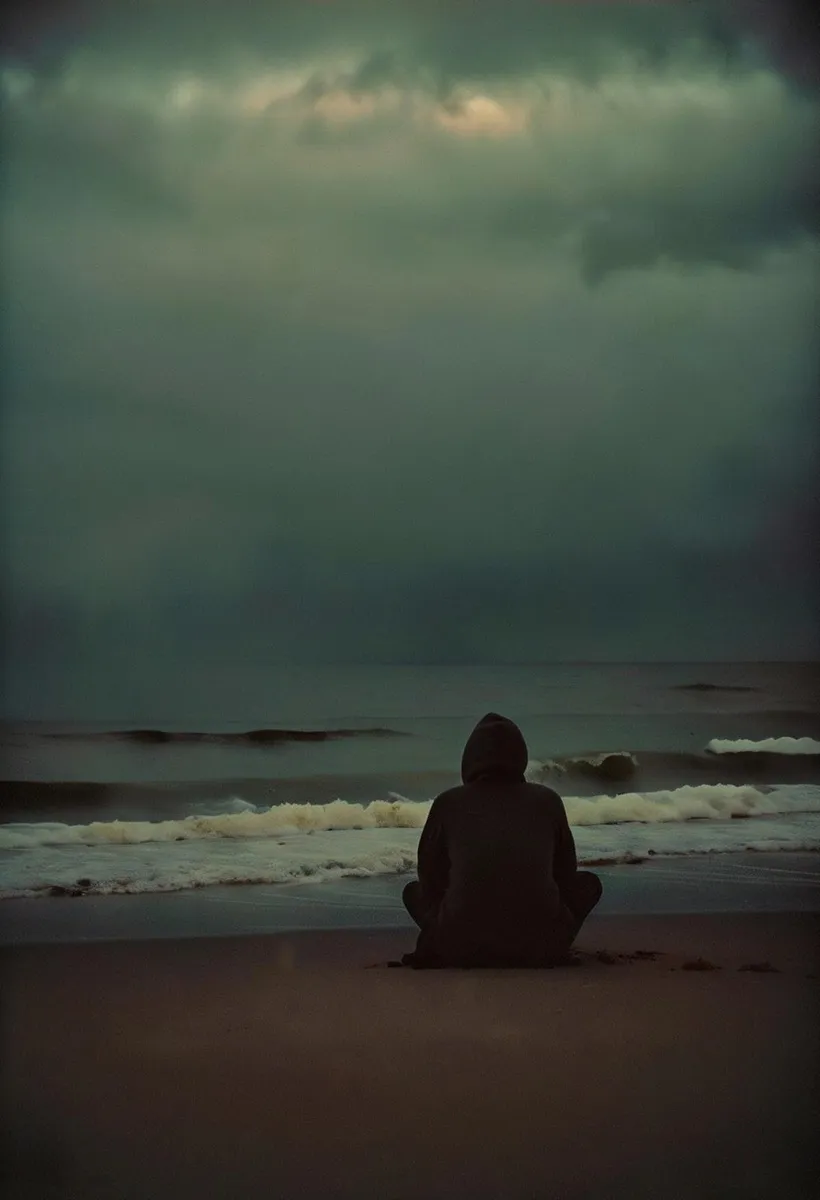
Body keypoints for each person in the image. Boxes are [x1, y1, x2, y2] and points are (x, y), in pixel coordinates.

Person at [401, 712, 602, 968]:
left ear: (469, 759)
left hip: (458, 947)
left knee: (412, 892)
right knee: (589, 884)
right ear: (520, 756)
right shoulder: (547, 801)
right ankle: (547, 941)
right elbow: (565, 873)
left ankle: (453, 939)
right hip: (542, 948)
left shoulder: (448, 803)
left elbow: (429, 878)